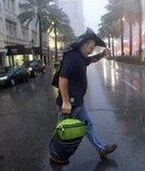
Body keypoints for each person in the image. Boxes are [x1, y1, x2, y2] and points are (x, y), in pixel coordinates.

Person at [52, 28, 117, 164]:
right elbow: (62, 79)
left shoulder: (81, 57)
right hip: (68, 104)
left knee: (88, 125)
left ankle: (101, 149)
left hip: (78, 102)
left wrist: (103, 54)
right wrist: (65, 101)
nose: (92, 50)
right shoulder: (72, 57)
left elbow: (91, 60)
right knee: (62, 132)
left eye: (93, 48)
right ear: (84, 44)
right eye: (91, 47)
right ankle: (56, 155)